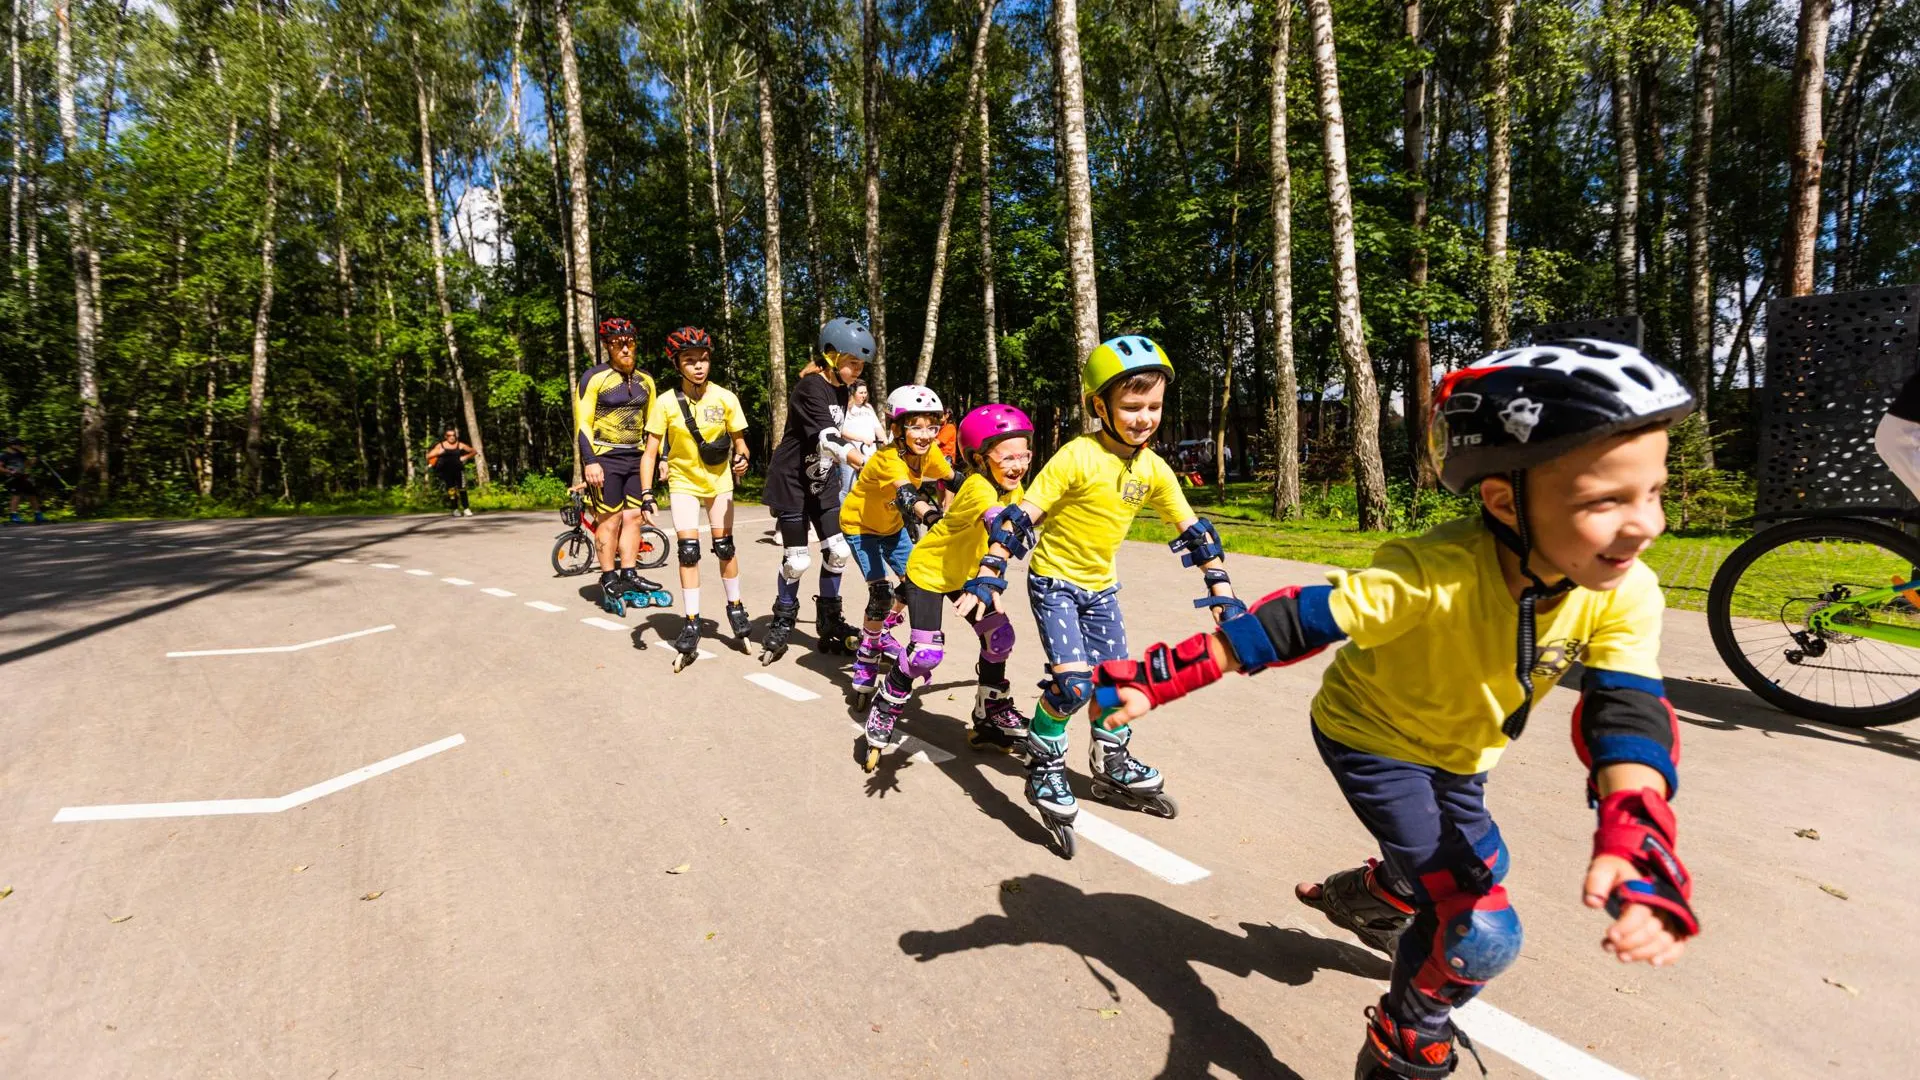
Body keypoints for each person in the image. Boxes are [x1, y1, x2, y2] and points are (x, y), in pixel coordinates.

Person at [1091, 339, 1700, 1079]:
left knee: (1469, 863)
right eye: (1606, 501)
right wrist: (1160, 678)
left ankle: (1379, 895)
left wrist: (1636, 831)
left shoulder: (1625, 588)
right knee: (1480, 929)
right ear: (1505, 500)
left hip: (1461, 751)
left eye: (1655, 492)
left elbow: (1626, 711)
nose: (1647, 526)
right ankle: (1409, 1040)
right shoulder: (1432, 575)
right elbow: (1296, 620)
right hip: (1370, 737)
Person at [957, 336, 1238, 855]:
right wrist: (991, 568)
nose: (1144, 418)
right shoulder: (1078, 455)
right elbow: (1026, 514)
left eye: (1153, 406)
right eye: (1131, 407)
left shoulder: (1153, 468)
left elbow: (1195, 530)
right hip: (1054, 582)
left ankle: (1111, 761)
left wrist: (1223, 592)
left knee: (1118, 683)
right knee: (1072, 686)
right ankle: (1044, 767)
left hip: (1102, 588)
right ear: (1099, 406)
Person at [892, 404, 1038, 757]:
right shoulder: (979, 488)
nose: (1018, 466)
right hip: (931, 571)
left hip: (967, 577)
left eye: (1024, 456)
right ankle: (887, 702)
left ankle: (989, 715)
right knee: (925, 655)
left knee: (999, 637)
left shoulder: (1012, 489)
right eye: (1007, 458)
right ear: (980, 458)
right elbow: (994, 519)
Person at [841, 385, 953, 768]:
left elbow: (953, 478)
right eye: (915, 427)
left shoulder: (930, 453)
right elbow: (908, 498)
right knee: (881, 595)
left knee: (913, 583)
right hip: (859, 526)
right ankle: (867, 654)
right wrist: (936, 518)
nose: (924, 434)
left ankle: (881, 631)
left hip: (890, 529)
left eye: (930, 426)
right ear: (897, 428)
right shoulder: (889, 459)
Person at [758, 317, 872, 663]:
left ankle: (829, 619)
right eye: (852, 363)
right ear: (831, 356)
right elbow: (826, 435)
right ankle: (782, 618)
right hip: (792, 480)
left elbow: (830, 430)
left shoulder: (838, 387)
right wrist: (857, 459)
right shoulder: (810, 389)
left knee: (838, 553)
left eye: (860, 365)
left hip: (822, 481)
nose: (857, 370)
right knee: (796, 560)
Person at [641, 326, 752, 669]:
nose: (699, 366)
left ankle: (735, 609)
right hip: (684, 483)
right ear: (678, 365)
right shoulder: (664, 403)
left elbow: (741, 441)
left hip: (719, 483)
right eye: (690, 361)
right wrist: (646, 494)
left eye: (703, 359)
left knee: (725, 547)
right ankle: (691, 621)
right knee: (688, 552)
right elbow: (649, 453)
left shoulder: (725, 397)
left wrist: (743, 457)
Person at [575, 316, 671, 615]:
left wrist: (663, 458)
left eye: (630, 342)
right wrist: (589, 461)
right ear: (607, 346)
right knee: (610, 520)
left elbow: (656, 425)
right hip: (605, 458)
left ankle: (628, 573)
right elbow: (583, 424)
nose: (626, 348)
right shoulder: (594, 378)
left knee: (634, 518)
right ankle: (608, 577)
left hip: (637, 457)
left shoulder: (646, 380)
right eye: (618, 344)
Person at [838, 382, 885, 496]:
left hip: (869, 453)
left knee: (869, 485)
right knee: (849, 488)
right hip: (850, 453)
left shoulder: (868, 407)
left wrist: (884, 440)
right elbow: (841, 430)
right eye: (861, 393)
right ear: (853, 393)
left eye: (865, 392)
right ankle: (843, 512)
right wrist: (860, 438)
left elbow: (877, 427)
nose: (864, 395)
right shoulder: (845, 408)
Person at [426, 427, 476, 517]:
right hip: (447, 472)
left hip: (459, 470)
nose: (452, 437)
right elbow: (428, 456)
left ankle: (466, 509)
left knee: (462, 489)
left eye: (454, 435)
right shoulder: (440, 445)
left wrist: (465, 457)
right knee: (451, 490)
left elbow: (473, 451)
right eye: (449, 435)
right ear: (446, 436)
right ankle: (455, 509)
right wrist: (438, 453)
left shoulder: (459, 445)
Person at [3, 436, 46, 524]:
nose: (21, 447)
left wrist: (35, 458)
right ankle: (14, 516)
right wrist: (10, 471)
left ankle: (38, 515)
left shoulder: (21, 455)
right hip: (12, 478)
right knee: (16, 495)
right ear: (13, 445)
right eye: (20, 445)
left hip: (23, 477)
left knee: (32, 495)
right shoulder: (4, 456)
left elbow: (28, 464)